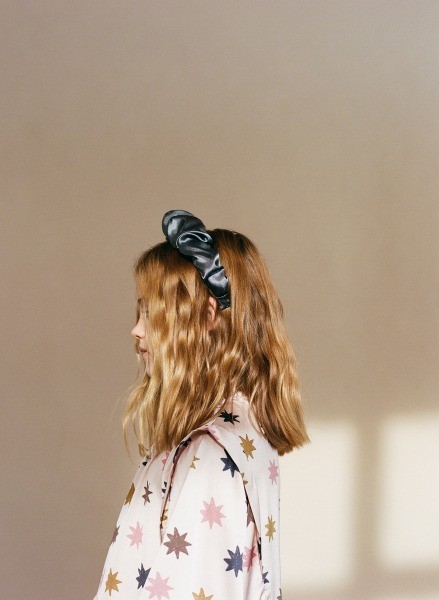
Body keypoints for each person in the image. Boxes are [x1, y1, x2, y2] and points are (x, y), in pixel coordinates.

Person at [93, 209, 310, 599]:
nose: (136, 330)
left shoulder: (211, 453)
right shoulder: (241, 433)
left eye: (150, 313)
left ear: (208, 316)